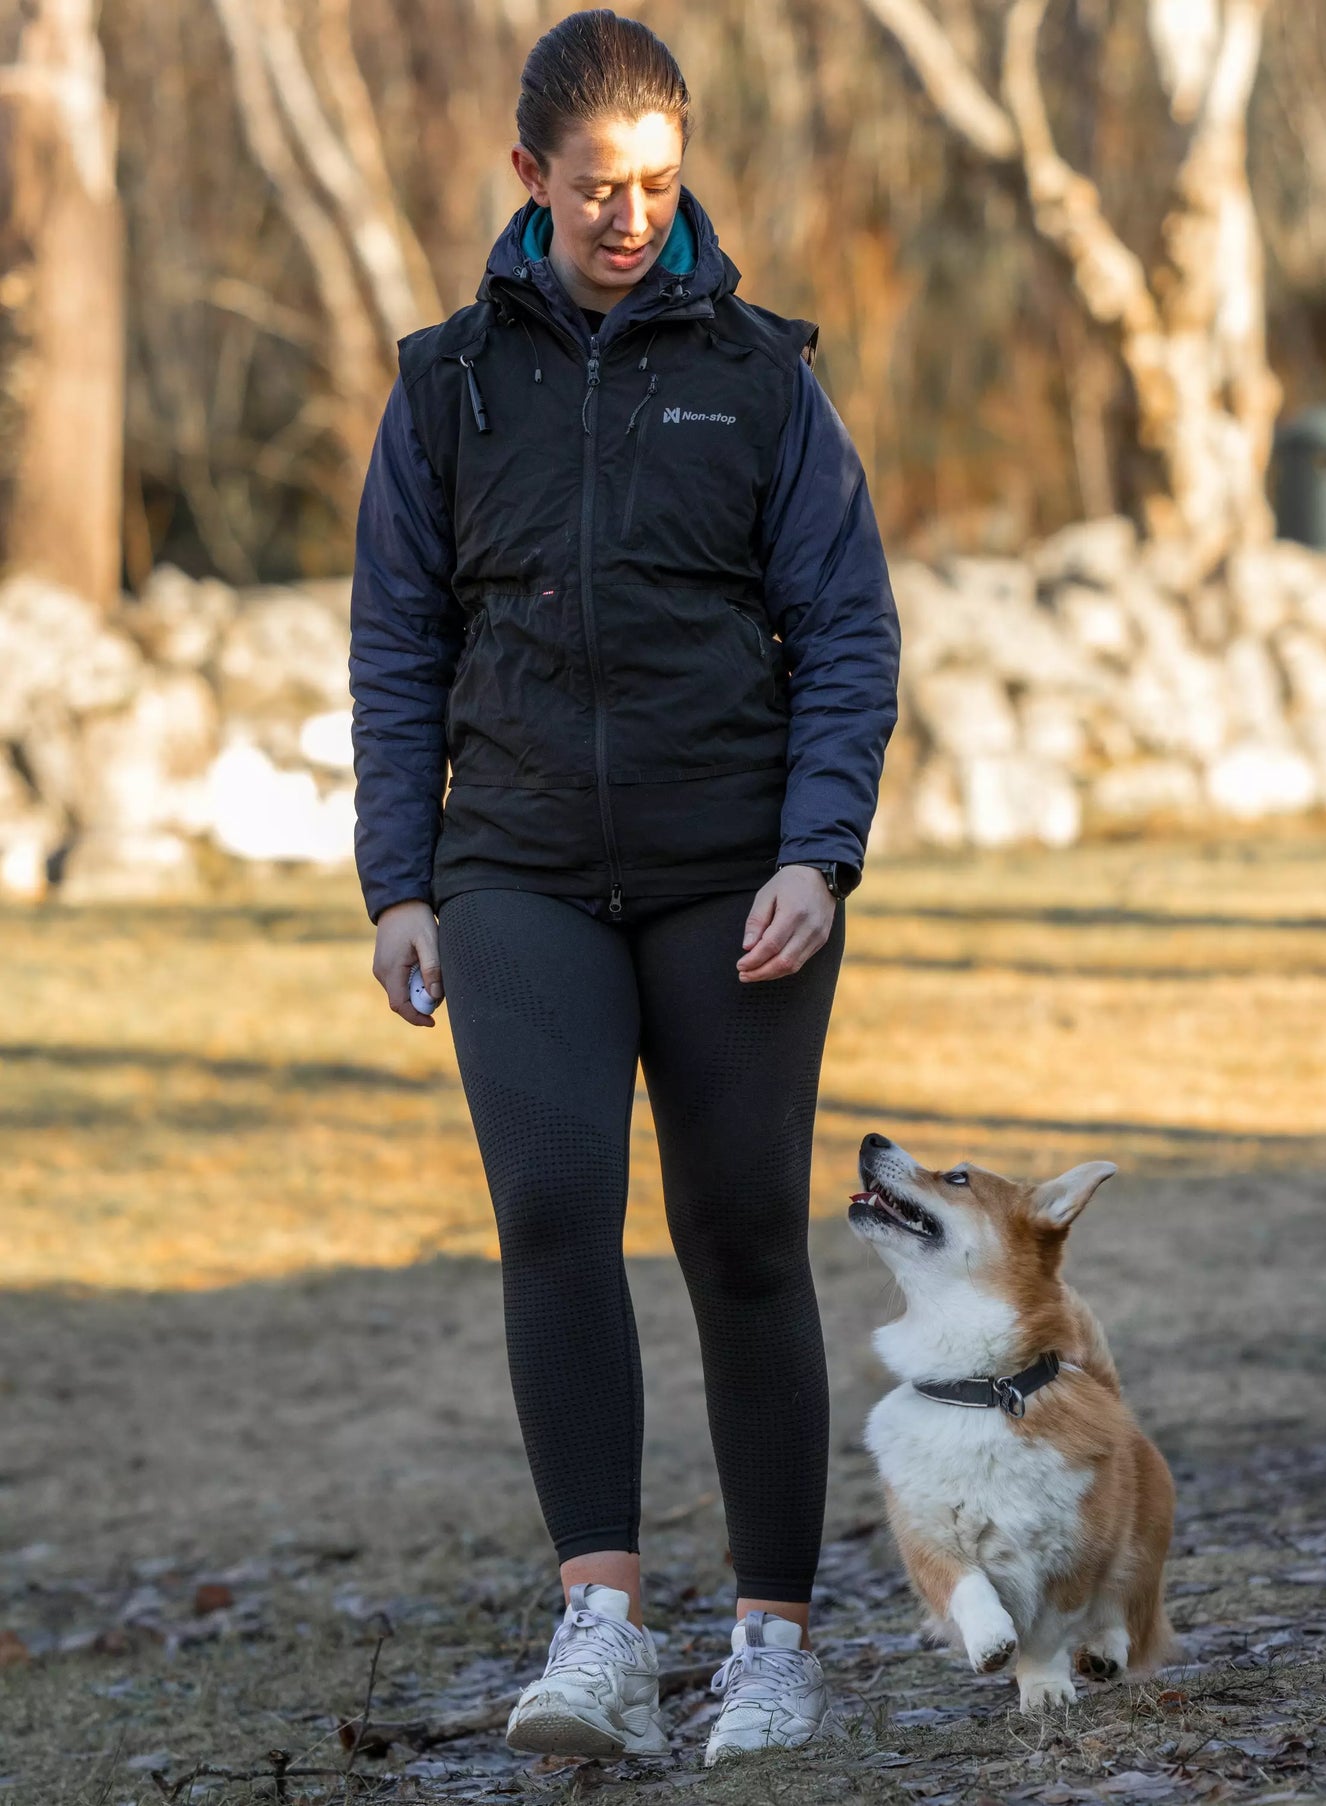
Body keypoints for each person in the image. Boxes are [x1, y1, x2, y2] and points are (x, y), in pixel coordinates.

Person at [349, 7, 899, 1767]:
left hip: (732, 875)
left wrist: (817, 853)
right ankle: (599, 1630)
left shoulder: (757, 377)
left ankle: (770, 1647)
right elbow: (394, 643)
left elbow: (846, 634)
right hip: (510, 866)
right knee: (553, 1206)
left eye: (660, 183)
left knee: (740, 1239)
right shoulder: (446, 383)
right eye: (598, 187)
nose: (630, 216)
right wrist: (400, 879)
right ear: (529, 179)